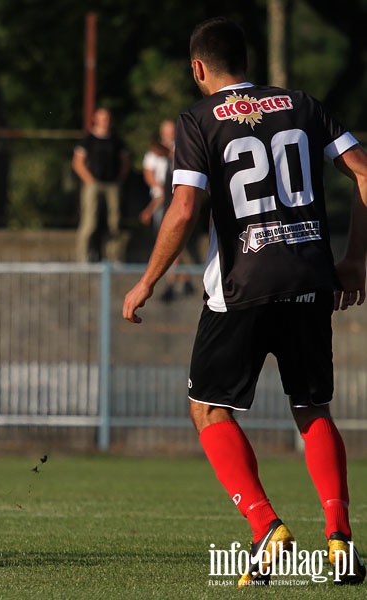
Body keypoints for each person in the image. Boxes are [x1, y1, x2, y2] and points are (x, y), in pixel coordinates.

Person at [123, 17, 367, 587]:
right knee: (311, 408)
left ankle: (266, 530)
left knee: (208, 408)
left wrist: (147, 281)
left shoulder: (198, 118)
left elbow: (184, 208)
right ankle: (340, 542)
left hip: (241, 286)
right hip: (310, 278)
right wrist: (355, 259)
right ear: (247, 63)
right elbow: (365, 171)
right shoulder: (303, 105)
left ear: (198, 68)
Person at [139, 119, 193, 302]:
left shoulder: (180, 149)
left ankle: (173, 280)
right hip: (162, 198)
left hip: (172, 199)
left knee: (171, 238)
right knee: (171, 238)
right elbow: (150, 176)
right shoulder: (156, 152)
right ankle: (182, 277)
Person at [72, 107, 131, 262]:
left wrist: (119, 178)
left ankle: (114, 257)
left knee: (114, 222)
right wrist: (89, 180)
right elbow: (77, 162)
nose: (105, 121)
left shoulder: (116, 140)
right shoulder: (88, 140)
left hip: (112, 184)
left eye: (107, 118)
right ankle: (82, 257)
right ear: (95, 119)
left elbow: (125, 161)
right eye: (102, 118)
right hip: (94, 183)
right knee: (90, 221)